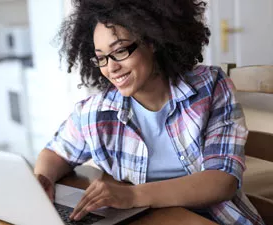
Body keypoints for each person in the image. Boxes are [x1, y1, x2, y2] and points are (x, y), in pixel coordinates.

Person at [34, 0, 264, 224]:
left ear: (151, 40)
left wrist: (132, 196)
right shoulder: (97, 112)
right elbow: (56, 153)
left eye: (121, 50)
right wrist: (43, 179)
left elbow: (222, 181)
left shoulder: (210, 88)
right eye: (101, 57)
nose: (111, 68)